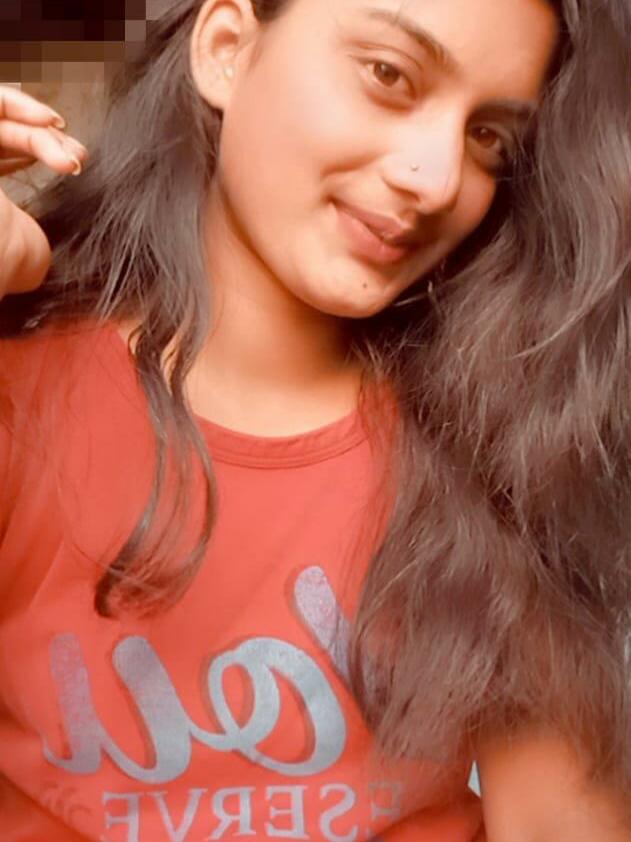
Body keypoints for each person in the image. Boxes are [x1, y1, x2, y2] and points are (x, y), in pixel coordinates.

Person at [0, 0, 629, 840]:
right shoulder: (22, 395)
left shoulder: (503, 440)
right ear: (226, 48)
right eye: (389, 75)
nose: (435, 178)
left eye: (488, 137)